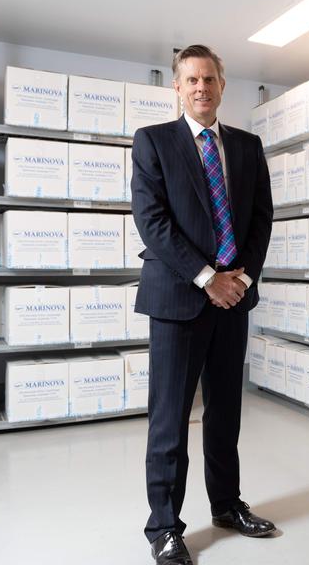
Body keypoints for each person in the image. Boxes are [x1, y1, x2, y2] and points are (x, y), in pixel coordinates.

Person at [131, 44, 275, 565]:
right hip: (178, 300)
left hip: (232, 300)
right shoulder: (153, 142)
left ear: (222, 84)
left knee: (225, 414)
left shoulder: (246, 146)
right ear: (177, 86)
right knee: (170, 419)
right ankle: (164, 527)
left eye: (209, 79)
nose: (201, 88)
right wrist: (207, 277)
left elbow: (261, 218)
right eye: (191, 79)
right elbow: (153, 222)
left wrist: (240, 279)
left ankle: (226, 505)